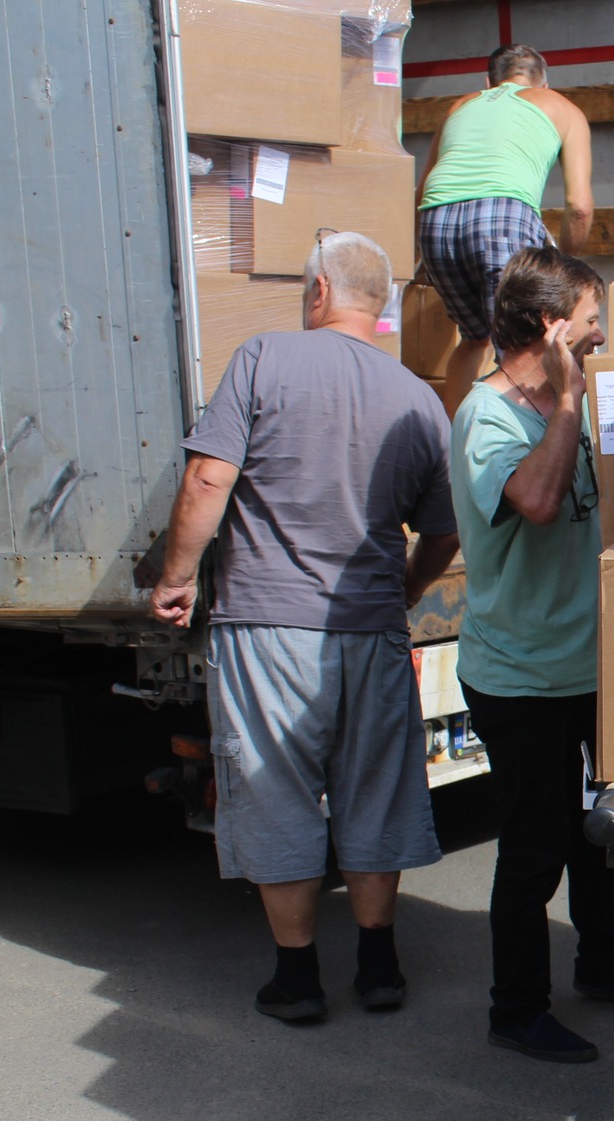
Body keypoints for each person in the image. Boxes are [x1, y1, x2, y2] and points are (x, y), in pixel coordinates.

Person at [151, 232, 458, 1024]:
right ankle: (380, 965)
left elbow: (208, 476)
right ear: (380, 306)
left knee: (277, 790)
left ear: (319, 291)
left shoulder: (263, 359)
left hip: (267, 622)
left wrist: (178, 578)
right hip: (371, 626)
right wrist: (407, 587)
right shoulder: (418, 397)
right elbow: (446, 530)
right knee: (378, 789)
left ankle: (297, 977)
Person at [450, 245, 614, 1064]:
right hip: (520, 675)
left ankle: (607, 963)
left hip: (587, 667)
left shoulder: (571, 397)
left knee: (600, 832)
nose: (601, 336)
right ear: (554, 327)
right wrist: (565, 404)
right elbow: (539, 501)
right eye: (591, 322)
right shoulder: (489, 417)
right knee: (536, 846)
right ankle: (515, 1006)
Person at [417, 44, 594, 415]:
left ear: (488, 82)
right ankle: (519, 449)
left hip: (436, 220)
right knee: (523, 345)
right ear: (544, 83)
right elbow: (579, 207)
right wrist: (564, 269)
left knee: (474, 338)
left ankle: (457, 450)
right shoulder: (561, 107)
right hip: (501, 216)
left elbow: (421, 191)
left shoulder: (461, 105)